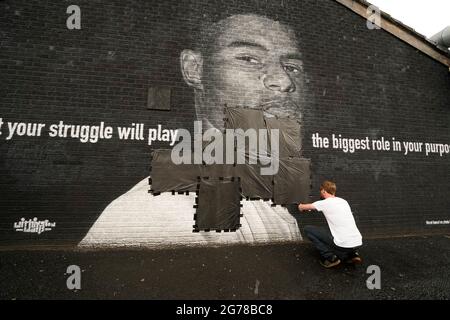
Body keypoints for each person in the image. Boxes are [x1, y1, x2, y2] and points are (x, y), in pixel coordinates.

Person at [79, 13, 307, 247]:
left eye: (292, 67)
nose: (284, 81)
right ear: (194, 69)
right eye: (248, 59)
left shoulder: (261, 195)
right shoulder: (161, 209)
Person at [298, 181, 363, 268]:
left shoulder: (324, 203)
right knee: (338, 230)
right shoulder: (344, 201)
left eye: (321, 191)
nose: (320, 193)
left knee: (308, 229)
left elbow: (302, 207)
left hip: (343, 244)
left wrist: (300, 206)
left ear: (324, 191)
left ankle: (331, 258)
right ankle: (353, 255)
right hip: (357, 242)